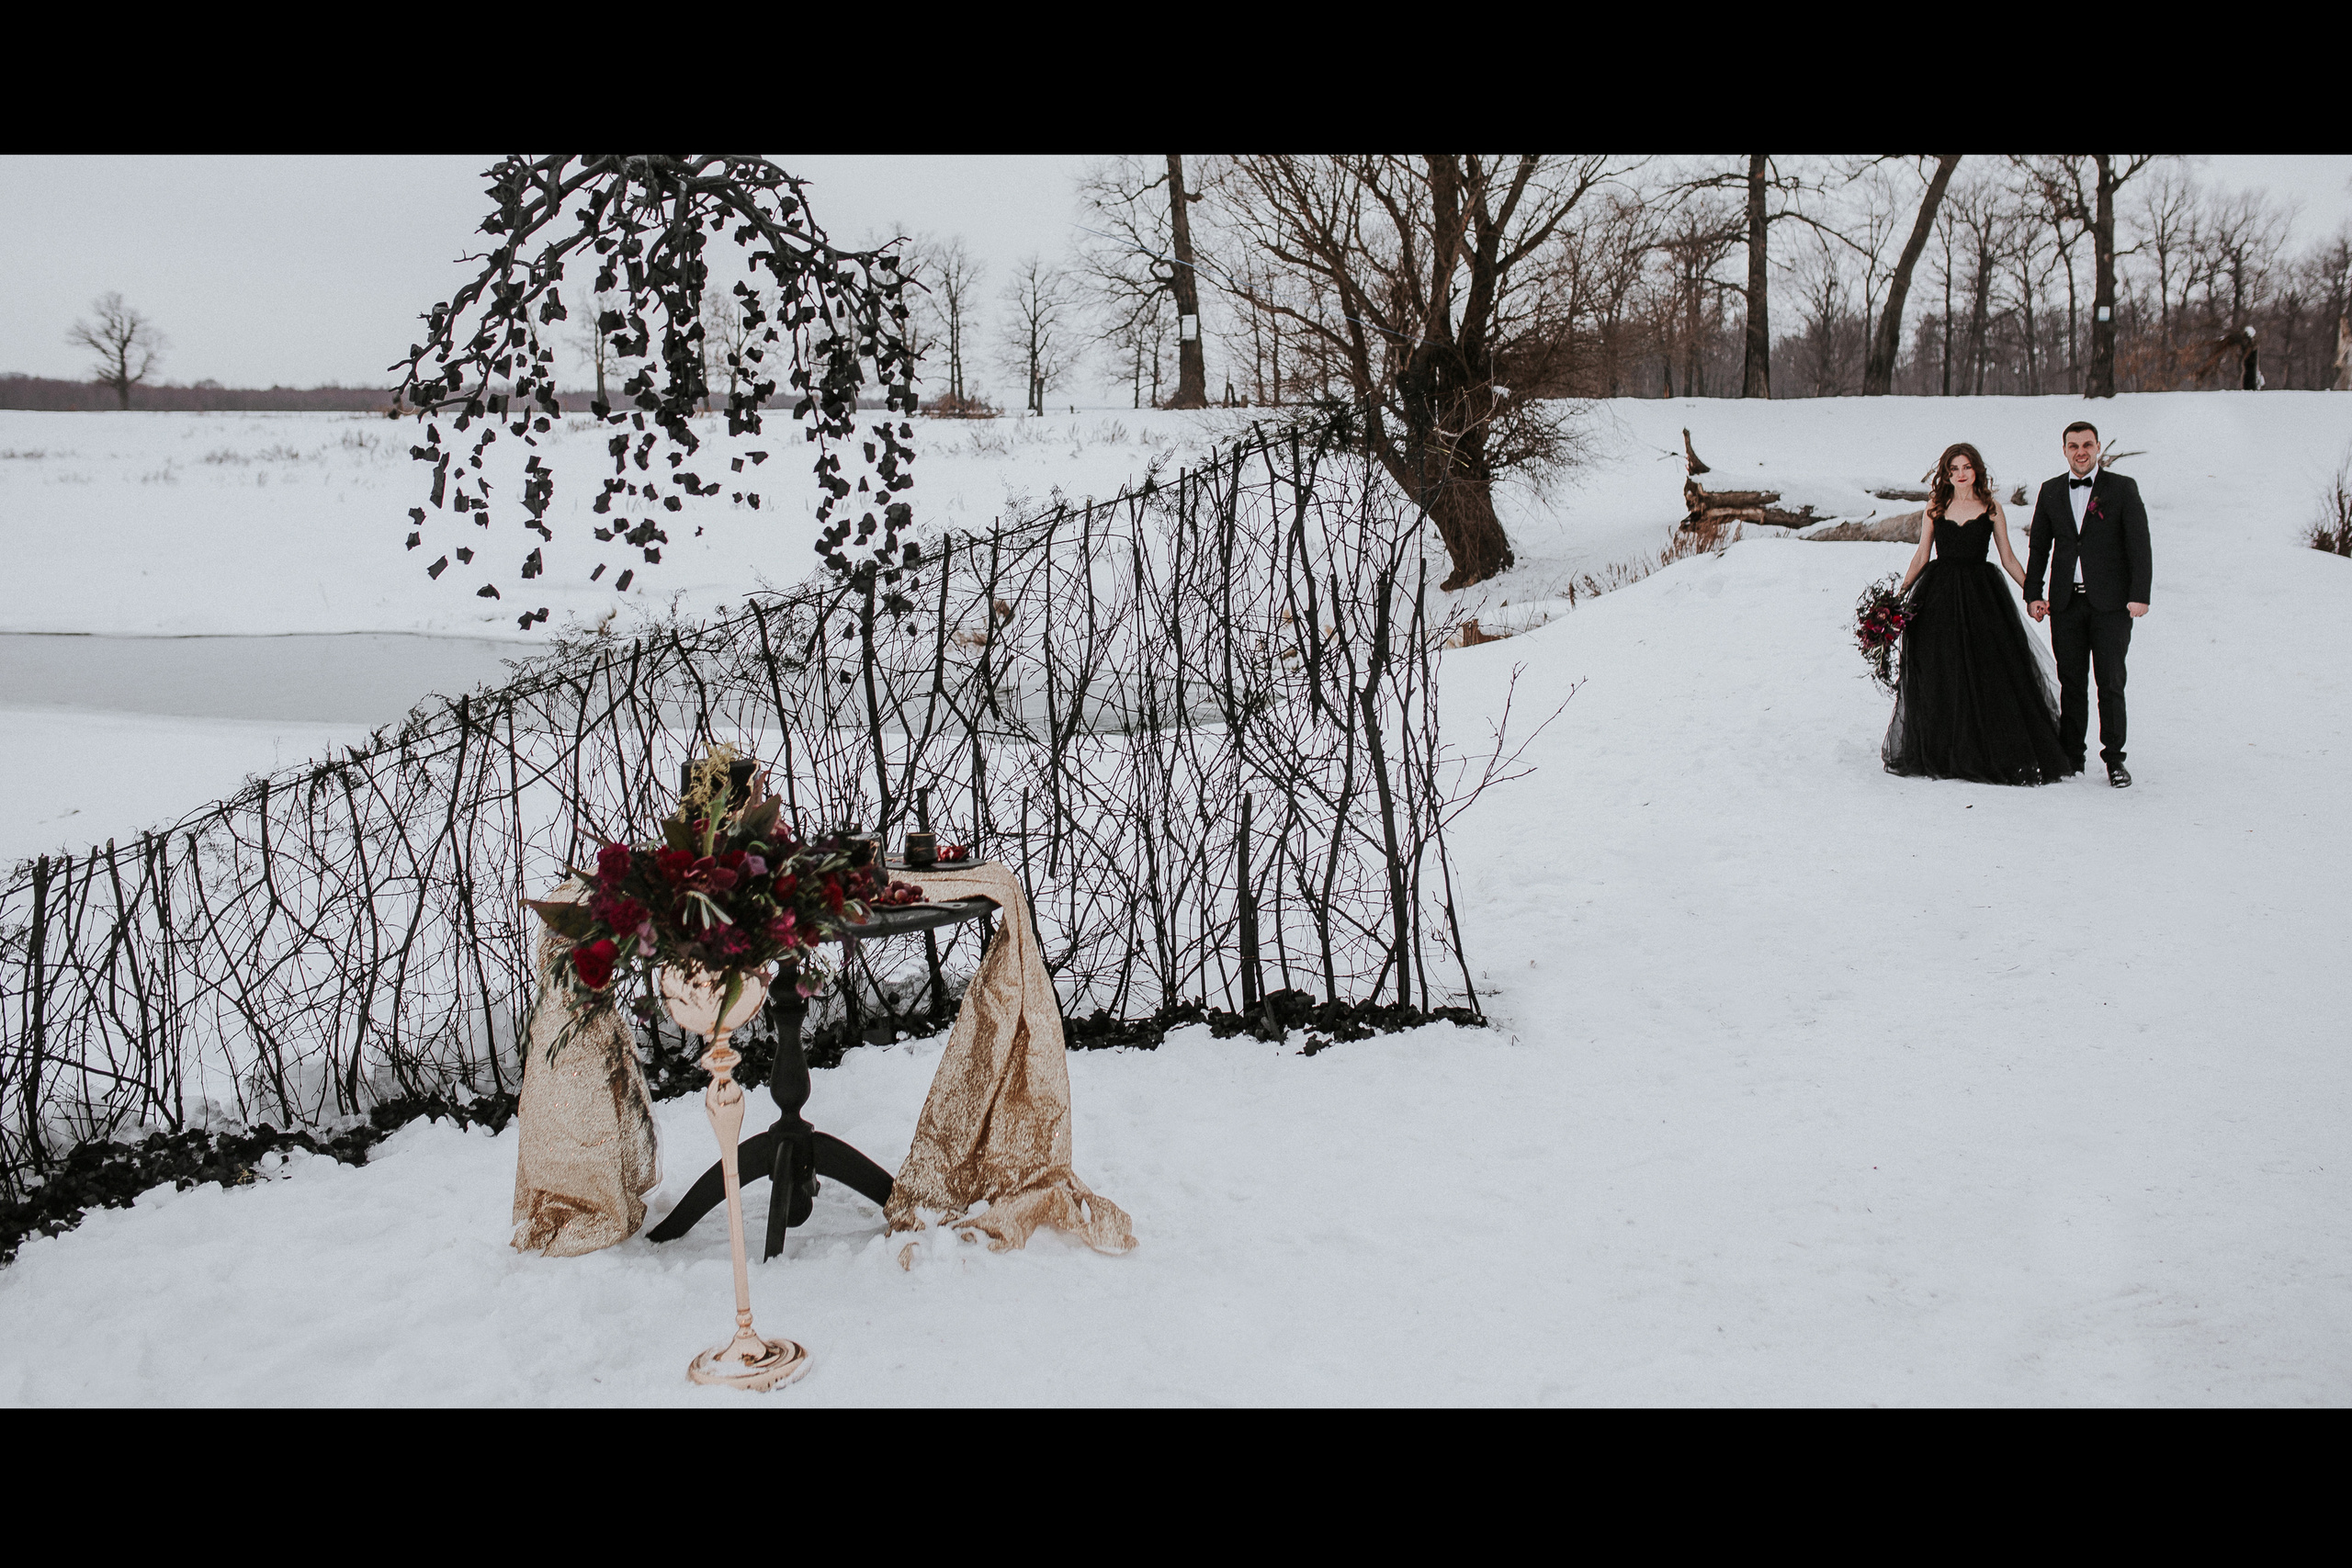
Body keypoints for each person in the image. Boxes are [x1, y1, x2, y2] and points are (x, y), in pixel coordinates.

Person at [1883, 443, 2072, 785]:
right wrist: (1896, 599)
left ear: (1976, 470)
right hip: (1937, 597)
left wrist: (2033, 594)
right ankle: (1944, 750)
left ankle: (1986, 748)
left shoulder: (1991, 507)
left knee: (1987, 669)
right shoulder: (1934, 508)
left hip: (1982, 597)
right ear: (1946, 474)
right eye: (1953, 468)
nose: (1960, 474)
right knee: (1944, 669)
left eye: (1966, 467)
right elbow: (1921, 556)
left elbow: (2009, 558)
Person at [2025, 421, 2153, 787]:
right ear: (2064, 450)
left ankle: (2114, 759)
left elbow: (2138, 545)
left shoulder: (2122, 489)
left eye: (2087, 444)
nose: (2080, 451)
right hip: (2066, 604)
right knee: (2071, 682)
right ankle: (2071, 756)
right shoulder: (2050, 491)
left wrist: (2139, 595)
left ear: (2098, 448)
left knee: (2110, 681)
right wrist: (2035, 593)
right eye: (2073, 445)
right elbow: (2039, 547)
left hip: (2111, 605)